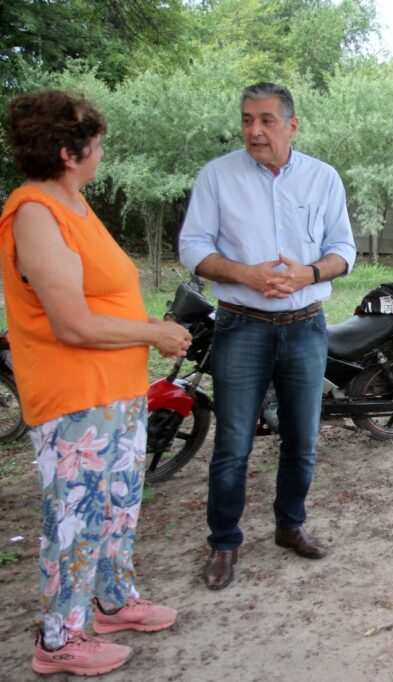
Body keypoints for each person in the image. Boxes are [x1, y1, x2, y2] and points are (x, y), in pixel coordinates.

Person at [1, 90, 192, 676]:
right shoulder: (34, 212)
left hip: (115, 393)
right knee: (75, 518)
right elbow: (73, 323)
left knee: (116, 507)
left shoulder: (73, 203)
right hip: (74, 400)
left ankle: (111, 603)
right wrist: (152, 332)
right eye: (97, 142)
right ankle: (58, 641)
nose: (103, 150)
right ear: (68, 151)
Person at [178, 82, 356, 590]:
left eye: (266, 120)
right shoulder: (218, 176)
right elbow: (193, 246)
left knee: (303, 439)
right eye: (246, 119)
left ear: (291, 125)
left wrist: (311, 273)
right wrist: (244, 274)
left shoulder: (323, 179)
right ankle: (223, 543)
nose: (254, 130)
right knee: (233, 442)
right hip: (240, 324)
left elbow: (344, 248)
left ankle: (289, 526)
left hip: (305, 328)